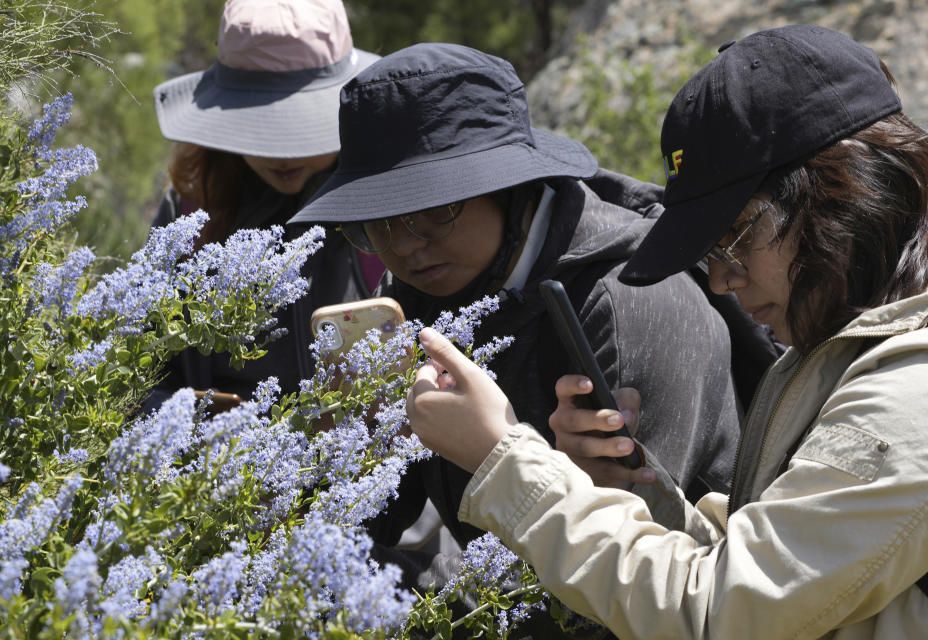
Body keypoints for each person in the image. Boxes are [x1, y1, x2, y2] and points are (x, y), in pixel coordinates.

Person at [406, 24, 928, 639]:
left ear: (844, 195)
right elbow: (763, 568)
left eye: (733, 239)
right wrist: (621, 486)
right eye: (709, 253)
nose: (722, 281)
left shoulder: (907, 396)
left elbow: (719, 614)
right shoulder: (836, 356)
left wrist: (504, 461)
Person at [289, 43, 765, 559]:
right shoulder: (421, 287)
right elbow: (364, 526)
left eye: (436, 208)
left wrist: (516, 462)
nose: (403, 244)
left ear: (511, 186)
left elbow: (639, 575)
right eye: (374, 222)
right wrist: (351, 446)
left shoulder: (630, 302)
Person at [144, 0, 382, 409]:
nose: (282, 154)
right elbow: (145, 364)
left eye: (303, 124)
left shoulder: (387, 203)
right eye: (260, 126)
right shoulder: (192, 207)